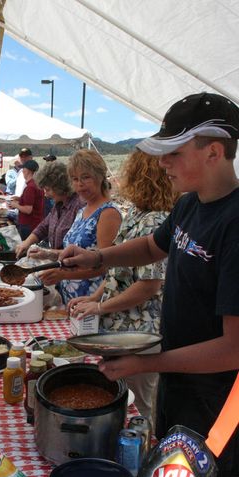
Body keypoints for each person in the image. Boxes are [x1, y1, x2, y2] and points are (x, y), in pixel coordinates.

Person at [60, 92, 239, 477]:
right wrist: (97, 256)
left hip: (221, 404)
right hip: (182, 387)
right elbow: (151, 248)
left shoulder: (235, 223)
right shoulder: (190, 204)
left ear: (214, 151)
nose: (162, 165)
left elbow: (232, 348)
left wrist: (146, 363)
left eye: (173, 154)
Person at [68, 150, 178, 426]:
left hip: (140, 337)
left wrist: (101, 306)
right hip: (121, 332)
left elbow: (148, 287)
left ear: (141, 177)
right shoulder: (137, 214)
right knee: (123, 400)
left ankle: (147, 455)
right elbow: (118, 270)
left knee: (143, 407)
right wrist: (91, 297)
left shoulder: (155, 219)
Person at [34, 149, 121, 304]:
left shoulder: (108, 213)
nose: (79, 184)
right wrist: (48, 254)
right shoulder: (82, 211)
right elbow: (77, 254)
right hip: (74, 299)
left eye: (85, 177)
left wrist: (63, 275)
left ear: (100, 176)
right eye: (74, 179)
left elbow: (105, 267)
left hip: (92, 300)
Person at [15, 160, 84, 257]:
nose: (45, 194)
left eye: (48, 190)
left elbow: (80, 251)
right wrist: (26, 242)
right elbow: (43, 227)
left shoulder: (78, 206)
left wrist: (48, 253)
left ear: (60, 187)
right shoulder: (58, 205)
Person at [8, 159, 44, 240]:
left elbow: (28, 210)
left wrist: (15, 205)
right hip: (34, 223)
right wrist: (20, 198)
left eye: (23, 169)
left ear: (27, 171)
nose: (22, 171)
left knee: (26, 249)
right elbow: (33, 201)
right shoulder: (35, 184)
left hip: (28, 224)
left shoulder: (30, 187)